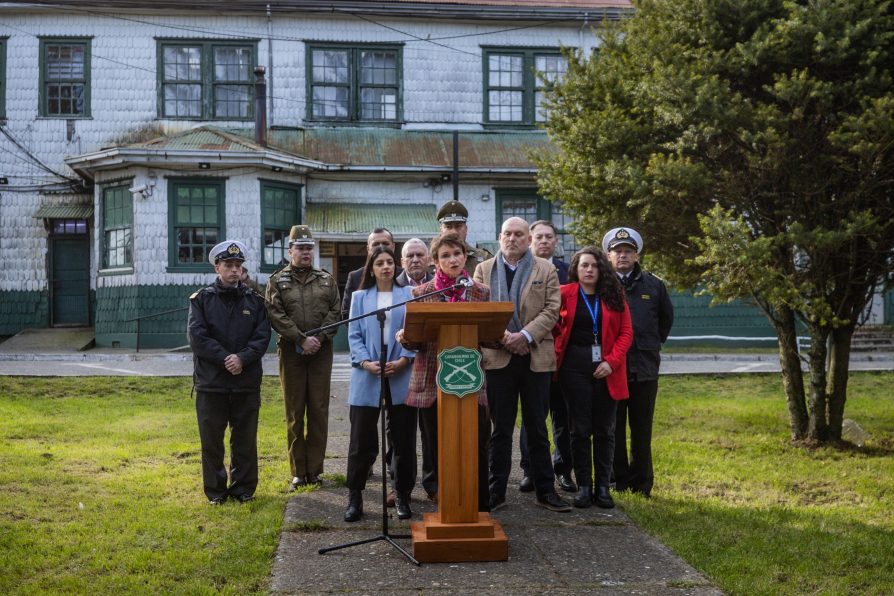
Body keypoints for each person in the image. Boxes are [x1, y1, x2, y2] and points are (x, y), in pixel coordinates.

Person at [473, 217, 571, 513]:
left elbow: (552, 310)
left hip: (535, 358)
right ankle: (496, 491)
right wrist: (505, 336)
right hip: (498, 358)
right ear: (499, 237)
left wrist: (524, 336)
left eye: (518, 234)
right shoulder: (483, 270)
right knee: (500, 429)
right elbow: (481, 309)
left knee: (537, 428)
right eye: (507, 234)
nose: (512, 239)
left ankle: (545, 490)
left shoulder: (546, 269)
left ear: (528, 239)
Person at [397, 232, 491, 510]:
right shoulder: (422, 294)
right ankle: (441, 495)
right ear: (435, 262)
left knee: (476, 439)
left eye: (457, 254)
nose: (452, 259)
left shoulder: (480, 292)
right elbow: (414, 340)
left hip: (469, 378)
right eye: (445, 255)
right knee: (435, 441)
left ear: (465, 257)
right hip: (431, 378)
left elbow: (490, 334)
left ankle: (479, 501)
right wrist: (406, 337)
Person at [187, 240, 271, 505]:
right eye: (229, 265)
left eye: (238, 265)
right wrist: (226, 358)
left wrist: (242, 359)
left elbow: (261, 337)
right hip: (212, 383)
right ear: (217, 268)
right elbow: (197, 337)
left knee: (244, 440)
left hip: (245, 382)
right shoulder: (201, 300)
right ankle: (215, 491)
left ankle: (243, 488)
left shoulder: (255, 302)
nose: (234, 270)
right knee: (212, 442)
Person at [554, 246, 633, 509]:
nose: (589, 270)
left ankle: (603, 488)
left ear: (602, 269)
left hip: (607, 368)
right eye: (583, 265)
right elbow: (554, 327)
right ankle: (584, 487)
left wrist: (611, 362)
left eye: (594, 265)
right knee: (579, 429)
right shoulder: (565, 294)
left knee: (605, 430)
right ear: (576, 269)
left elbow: (626, 333)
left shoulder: (614, 294)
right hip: (574, 369)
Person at [344, 246, 417, 522]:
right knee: (361, 440)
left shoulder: (407, 295)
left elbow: (415, 332)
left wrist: (404, 360)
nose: (386, 267)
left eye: (389, 262)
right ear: (371, 268)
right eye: (379, 263)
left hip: (399, 372)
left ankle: (402, 494)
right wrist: (365, 362)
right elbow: (354, 334)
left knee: (403, 439)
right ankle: (355, 497)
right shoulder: (360, 297)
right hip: (367, 373)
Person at [266, 225, 341, 492]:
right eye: (300, 248)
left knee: (319, 411)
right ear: (290, 251)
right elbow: (275, 314)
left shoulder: (326, 279)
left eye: (309, 248)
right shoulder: (277, 281)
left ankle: (315, 470)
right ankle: (298, 472)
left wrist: (317, 340)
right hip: (291, 352)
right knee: (295, 411)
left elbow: (335, 311)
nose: (306, 252)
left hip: (321, 352)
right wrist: (300, 338)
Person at [603, 227, 674, 498]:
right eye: (618, 251)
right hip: (614, 367)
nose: (623, 255)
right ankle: (618, 480)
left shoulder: (653, 285)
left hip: (644, 367)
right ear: (609, 255)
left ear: (637, 254)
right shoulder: (603, 284)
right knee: (614, 427)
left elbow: (665, 320)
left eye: (628, 251)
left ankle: (642, 483)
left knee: (642, 428)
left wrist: (650, 345)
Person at [517, 220, 576, 494]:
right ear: (530, 240)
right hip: (531, 353)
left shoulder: (568, 272)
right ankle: (530, 470)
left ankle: (563, 471)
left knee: (562, 417)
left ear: (555, 241)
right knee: (533, 417)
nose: (543, 241)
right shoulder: (520, 269)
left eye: (548, 237)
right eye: (538, 236)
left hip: (563, 357)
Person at [394, 237, 436, 502]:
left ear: (430, 259)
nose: (415, 259)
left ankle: (433, 485)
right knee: (400, 433)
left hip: (431, 369)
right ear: (402, 261)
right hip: (399, 369)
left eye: (420, 255)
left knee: (431, 433)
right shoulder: (391, 286)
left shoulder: (440, 286)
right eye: (410, 255)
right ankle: (401, 487)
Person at [340, 228, 402, 320]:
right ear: (368, 249)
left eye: (385, 243)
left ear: (393, 247)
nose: (381, 247)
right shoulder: (355, 277)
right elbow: (347, 314)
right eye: (375, 244)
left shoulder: (404, 275)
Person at [436, 199, 492, 276]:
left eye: (458, 226)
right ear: (441, 230)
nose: (454, 232)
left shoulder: (484, 258)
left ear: (466, 229)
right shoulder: (429, 260)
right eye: (448, 227)